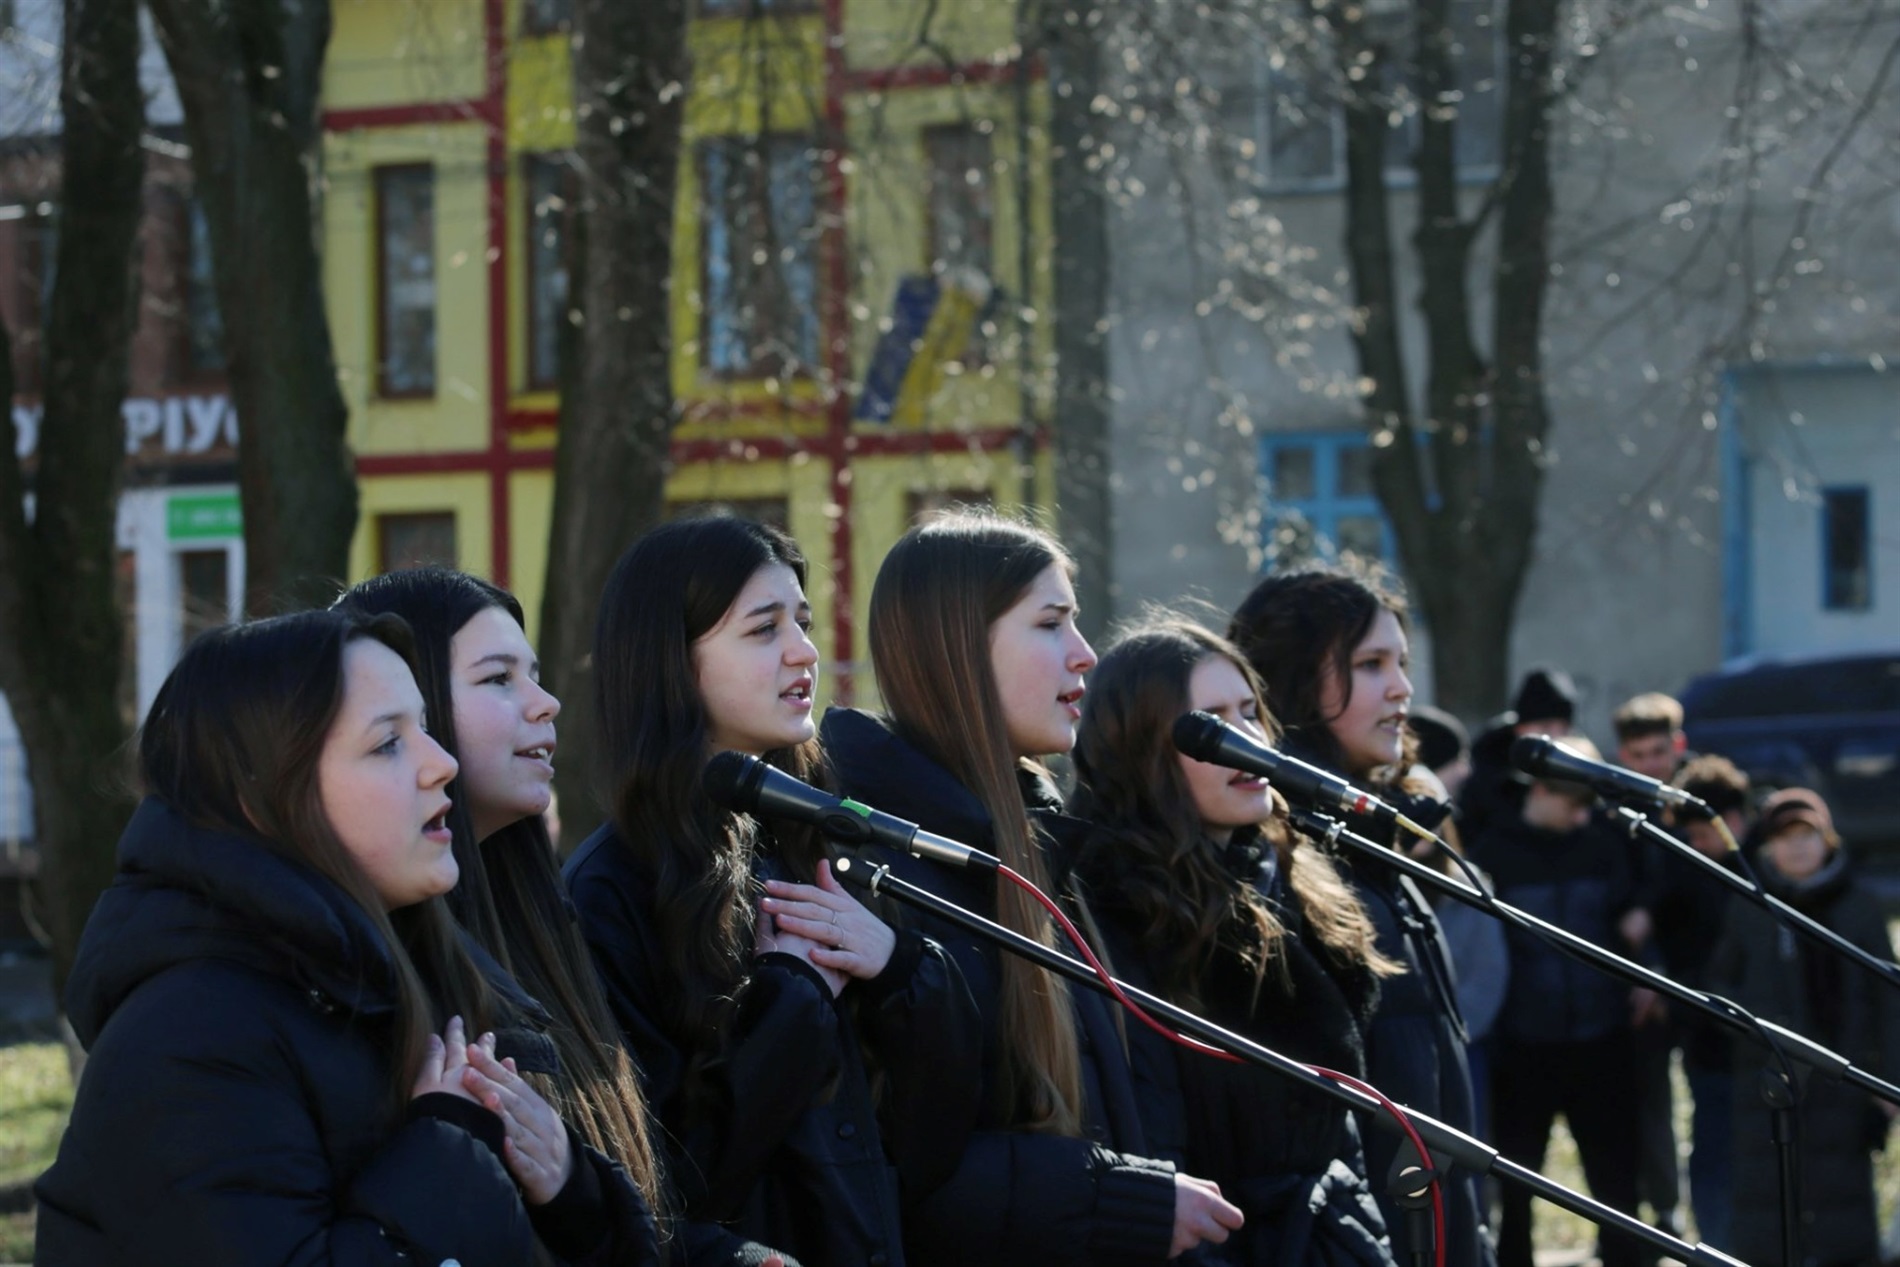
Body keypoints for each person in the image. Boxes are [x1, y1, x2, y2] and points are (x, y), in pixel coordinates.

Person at [36, 610, 609, 1265]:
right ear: (261, 798)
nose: (442, 763)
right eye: (387, 743)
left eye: (423, 726)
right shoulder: (192, 1034)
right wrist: (446, 1149)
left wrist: (572, 1191)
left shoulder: (410, 969)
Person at [821, 512, 1246, 1267]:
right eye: (1051, 624)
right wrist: (1116, 1200)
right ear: (956, 646)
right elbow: (900, 1166)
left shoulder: (1037, 841)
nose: (1086, 655)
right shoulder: (877, 867)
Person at [565, 516, 981, 1267]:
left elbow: (932, 1140)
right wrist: (792, 999)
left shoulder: (817, 839)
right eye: (764, 629)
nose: (806, 650)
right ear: (672, 661)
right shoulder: (609, 891)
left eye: (805, 621)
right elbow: (663, 1190)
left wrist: (900, 969)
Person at [340, 566, 755, 1265]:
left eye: (533, 673)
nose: (547, 703)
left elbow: (647, 1217)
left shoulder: (545, 930)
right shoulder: (369, 971)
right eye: (499, 678)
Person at [1065, 617, 1399, 1265]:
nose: (1246, 739)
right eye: (1212, 721)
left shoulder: (1288, 882)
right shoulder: (1114, 913)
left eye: (1250, 711)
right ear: (1144, 748)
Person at [1228, 565, 1494, 1267]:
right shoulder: (1274, 862)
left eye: (1401, 662)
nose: (1402, 688)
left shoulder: (1380, 853)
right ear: (1289, 681)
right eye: (1371, 664)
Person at [1469, 737, 1649, 1267]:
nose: (1580, 818)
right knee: (1517, 1178)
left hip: (1603, 1038)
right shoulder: (1491, 853)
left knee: (1616, 1179)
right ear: (1542, 791)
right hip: (1524, 1046)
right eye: (1573, 806)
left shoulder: (1603, 845)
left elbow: (1635, 908)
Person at [1708, 788, 1900, 1267]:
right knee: (1771, 1193)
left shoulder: (1858, 907)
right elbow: (1718, 984)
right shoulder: (1750, 906)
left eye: (1807, 835)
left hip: (1845, 1074)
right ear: (1767, 847)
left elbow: (1887, 995)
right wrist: (1758, 1029)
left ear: (1828, 840)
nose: (1797, 847)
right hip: (1768, 1079)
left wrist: (1889, 1078)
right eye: (1784, 837)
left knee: (1842, 1195)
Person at [1654, 755, 1752, 1249]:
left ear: (1732, 821)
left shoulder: (1762, 873)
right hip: (1707, 1039)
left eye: (1702, 834)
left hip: (1761, 1041)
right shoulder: (1682, 873)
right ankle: (1716, 1246)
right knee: (1713, 1147)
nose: (1696, 845)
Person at [1610, 692, 1688, 1249]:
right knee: (1642, 1101)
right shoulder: (1615, 817)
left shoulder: (1693, 807)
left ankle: (1672, 1207)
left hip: (1695, 973)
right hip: (1640, 984)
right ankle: (1647, 1212)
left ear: (1677, 747)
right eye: (1638, 754)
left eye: (1658, 751)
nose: (1650, 764)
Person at [1459, 666, 1579, 844]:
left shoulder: (1579, 764)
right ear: (1520, 729)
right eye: (1545, 727)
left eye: (1564, 728)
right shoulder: (1487, 774)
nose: (1556, 737)